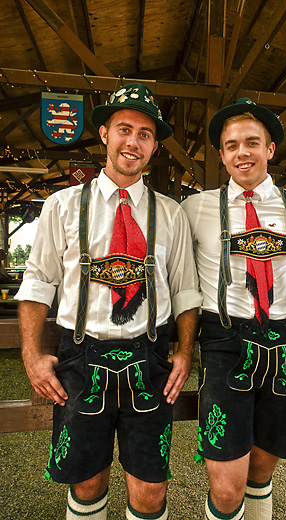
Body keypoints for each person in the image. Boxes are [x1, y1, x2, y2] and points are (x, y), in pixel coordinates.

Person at [16, 82, 202, 520]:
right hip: (80, 359)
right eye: (124, 129)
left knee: (151, 490)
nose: (132, 142)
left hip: (150, 360)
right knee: (86, 482)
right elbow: (39, 281)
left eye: (144, 134)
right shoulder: (61, 206)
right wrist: (31, 353)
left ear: (154, 146)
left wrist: (185, 352)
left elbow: (185, 292)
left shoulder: (170, 212)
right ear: (104, 134)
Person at [181, 97, 286, 520]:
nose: (243, 153)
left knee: (261, 467)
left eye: (252, 143)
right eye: (232, 145)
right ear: (222, 154)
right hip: (224, 342)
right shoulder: (195, 208)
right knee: (226, 485)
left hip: (284, 340)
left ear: (270, 149)